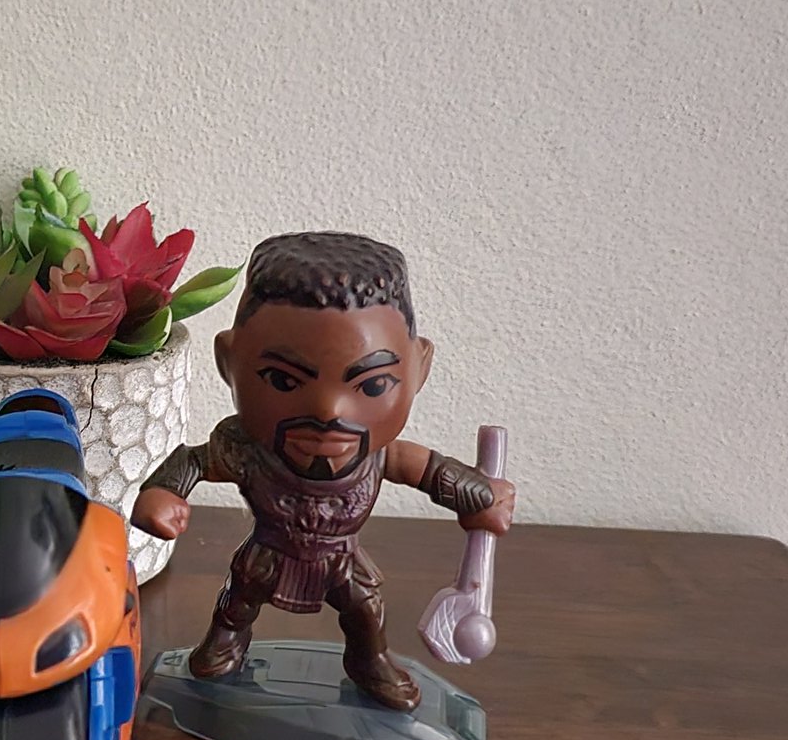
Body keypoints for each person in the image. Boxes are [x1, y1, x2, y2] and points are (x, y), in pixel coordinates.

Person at [132, 231, 514, 711]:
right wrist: (163, 494)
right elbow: (192, 461)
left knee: (365, 611)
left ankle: (369, 661)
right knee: (239, 601)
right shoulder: (245, 450)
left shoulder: (382, 456)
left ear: (419, 368)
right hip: (268, 551)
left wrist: (480, 496)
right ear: (229, 361)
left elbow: (435, 473)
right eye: (283, 381)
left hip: (341, 558)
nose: (328, 410)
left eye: (371, 385)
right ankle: (225, 642)